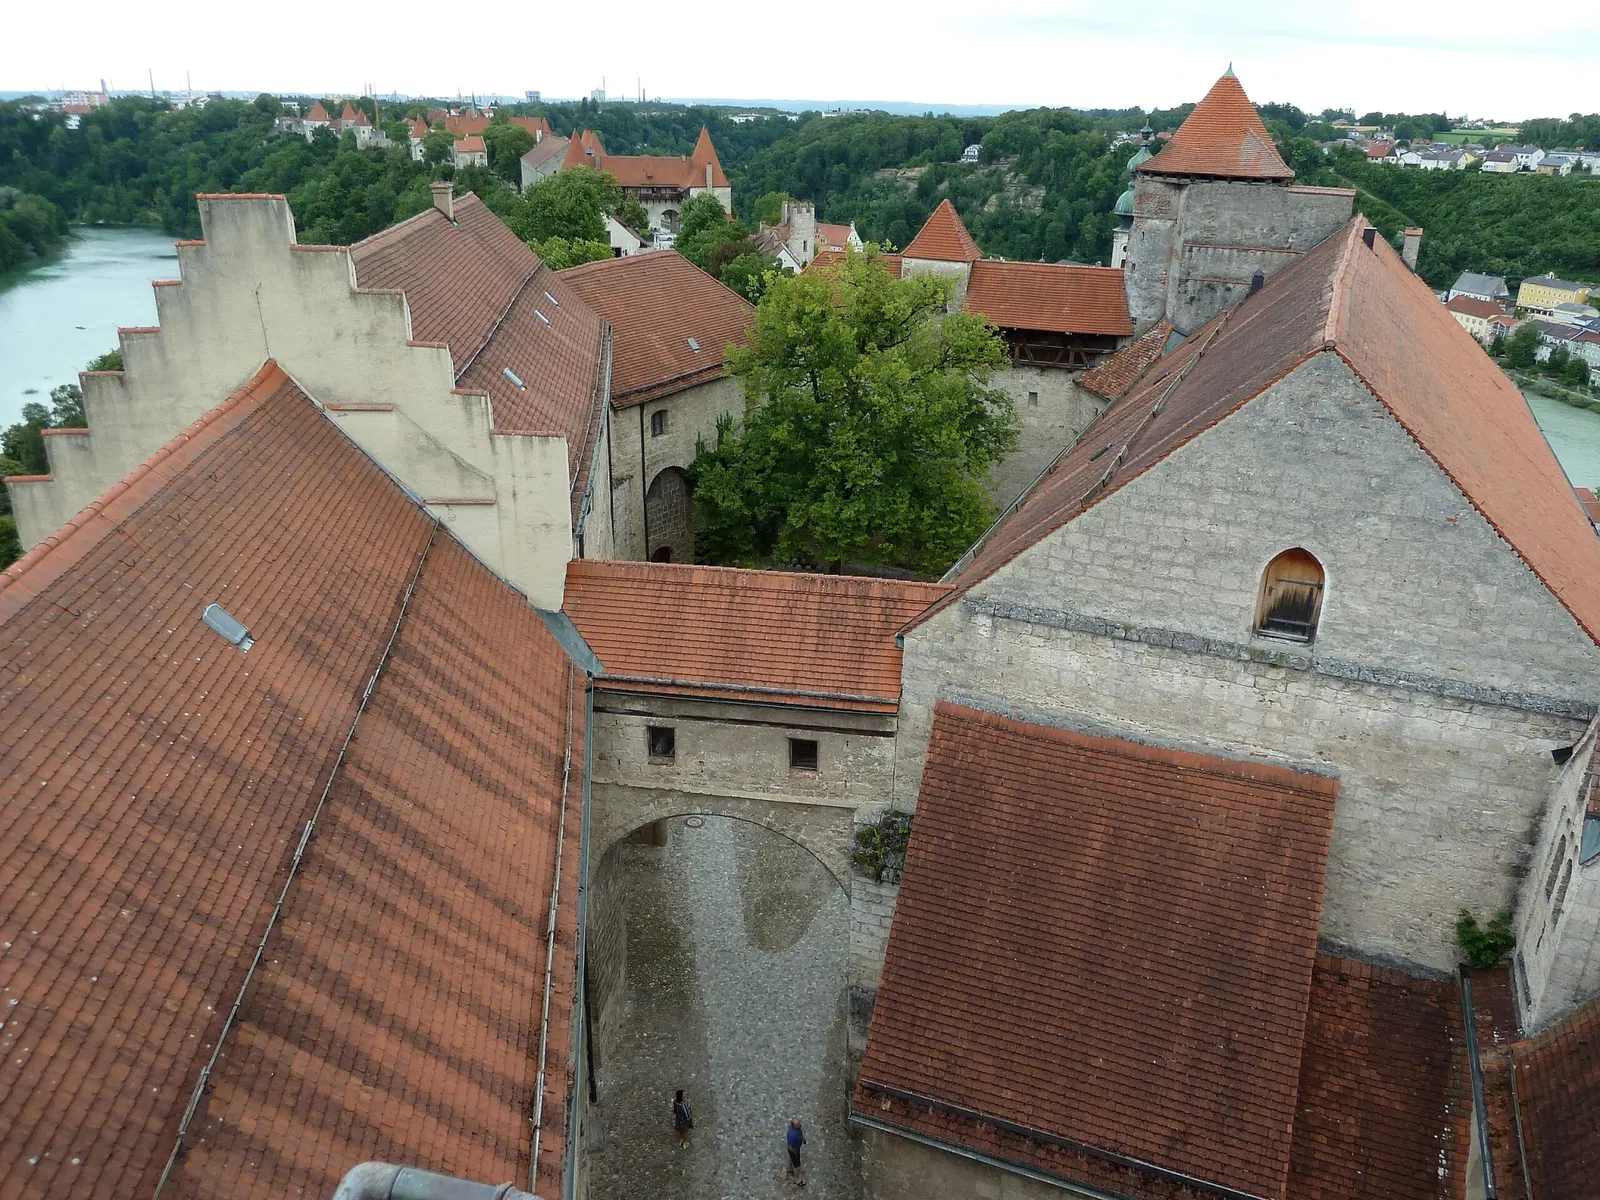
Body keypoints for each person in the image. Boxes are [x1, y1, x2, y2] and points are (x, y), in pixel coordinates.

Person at [785, 1117, 806, 1187]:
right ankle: (796, 1180)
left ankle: (789, 1169)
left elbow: (800, 1132)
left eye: (799, 1123)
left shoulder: (797, 1128)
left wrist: (803, 1139)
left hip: (796, 1148)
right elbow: (789, 1147)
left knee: (791, 1158)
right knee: (797, 1165)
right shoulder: (791, 1135)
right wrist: (795, 1152)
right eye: (798, 1124)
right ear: (793, 1125)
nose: (800, 1125)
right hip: (794, 1149)